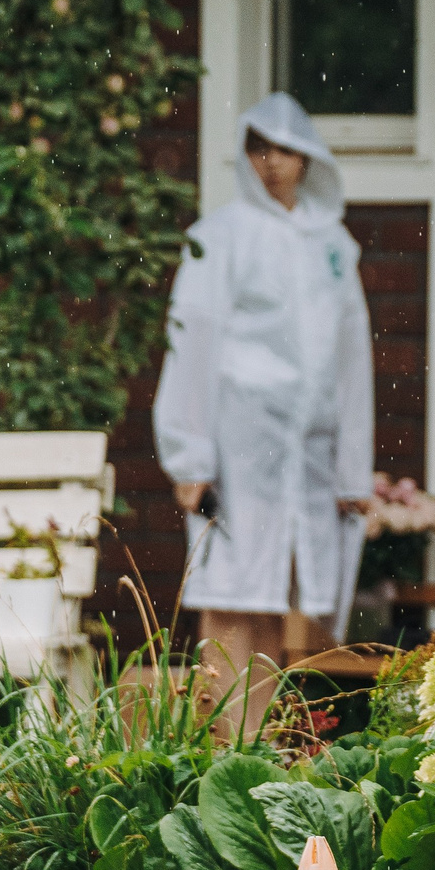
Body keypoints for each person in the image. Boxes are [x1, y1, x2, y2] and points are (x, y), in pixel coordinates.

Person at [154, 94, 374, 737]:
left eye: (284, 149)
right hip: (238, 447)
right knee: (228, 591)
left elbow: (351, 357)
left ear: (308, 158)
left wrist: (351, 471)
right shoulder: (219, 237)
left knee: (275, 595)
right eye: (258, 148)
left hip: (305, 450)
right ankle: (220, 747)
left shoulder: (333, 246)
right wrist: (190, 453)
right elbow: (194, 339)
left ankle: (256, 746)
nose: (271, 162)